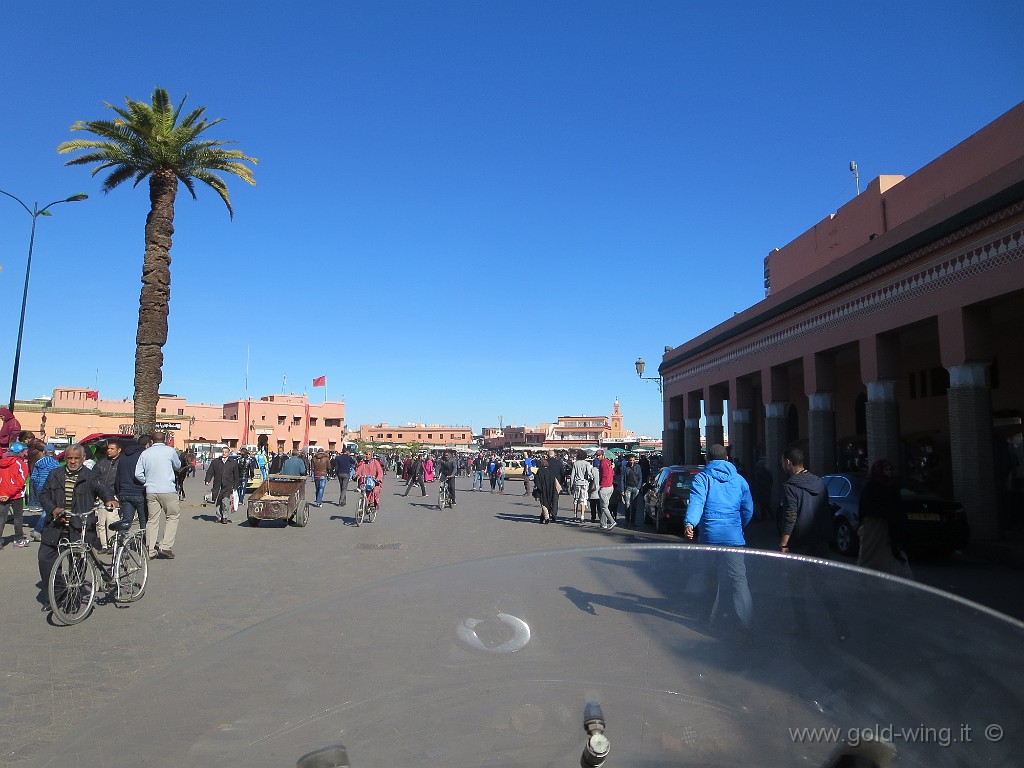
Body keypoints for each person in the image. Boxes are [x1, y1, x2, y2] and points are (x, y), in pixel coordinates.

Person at [683, 444, 755, 631]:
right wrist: (739, 527)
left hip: (709, 537)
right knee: (739, 581)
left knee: (709, 578)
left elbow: (697, 502)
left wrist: (690, 523)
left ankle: (707, 619)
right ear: (727, 459)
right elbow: (748, 509)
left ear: (707, 459)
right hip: (734, 538)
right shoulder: (739, 480)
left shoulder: (703, 478)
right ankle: (745, 623)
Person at [38, 443, 116, 584]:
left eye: (76, 458)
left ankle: (74, 595)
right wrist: (53, 508)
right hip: (55, 526)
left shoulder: (90, 476)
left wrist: (109, 499)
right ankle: (56, 593)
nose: (72, 461)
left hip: (79, 527)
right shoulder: (55, 474)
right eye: (69, 458)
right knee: (46, 560)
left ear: (83, 458)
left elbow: (101, 488)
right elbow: (43, 494)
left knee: (77, 563)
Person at [857, 459, 913, 578]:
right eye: (886, 470)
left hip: (891, 530)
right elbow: (867, 507)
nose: (889, 472)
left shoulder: (892, 486)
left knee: (895, 558)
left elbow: (897, 506)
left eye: (890, 469)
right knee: (871, 558)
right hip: (875, 529)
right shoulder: (871, 487)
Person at [135, 431, 182, 559]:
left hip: (151, 490)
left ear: (152, 441)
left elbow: (138, 473)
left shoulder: (145, 453)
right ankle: (165, 546)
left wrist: (148, 481)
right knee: (172, 516)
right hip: (167, 489)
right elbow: (178, 465)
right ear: (165, 439)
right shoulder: (170, 451)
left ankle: (150, 549)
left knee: (152, 519)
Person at [778, 447, 831, 557]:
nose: (782, 465)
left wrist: (784, 543)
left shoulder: (790, 486)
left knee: (800, 574)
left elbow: (790, 516)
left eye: (782, 462)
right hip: (822, 541)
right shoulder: (819, 482)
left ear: (788, 462)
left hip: (801, 544)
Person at [115, 435, 152, 534]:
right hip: (140, 493)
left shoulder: (123, 456)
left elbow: (118, 476)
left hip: (124, 493)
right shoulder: (144, 456)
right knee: (144, 522)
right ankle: (144, 545)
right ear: (148, 444)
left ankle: (120, 546)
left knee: (126, 522)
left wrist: (119, 493)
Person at [92, 439, 123, 550]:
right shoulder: (101, 463)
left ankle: (112, 544)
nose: (109, 451)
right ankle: (104, 545)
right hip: (101, 496)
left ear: (119, 450)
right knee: (101, 522)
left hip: (114, 496)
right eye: (108, 449)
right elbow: (94, 477)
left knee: (112, 521)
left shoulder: (121, 462)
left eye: (112, 449)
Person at [0, 442, 30, 549]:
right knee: (18, 517)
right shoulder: (21, 464)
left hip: (3, 495)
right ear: (20, 452)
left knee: (1, 518)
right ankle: (18, 539)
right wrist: (9, 494)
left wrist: (3, 494)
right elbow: (20, 482)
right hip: (16, 495)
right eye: (24, 451)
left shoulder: (2, 462)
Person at [29, 445, 60, 541]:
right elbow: (57, 477)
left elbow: (33, 477)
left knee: (46, 508)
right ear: (53, 452)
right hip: (50, 488)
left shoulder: (39, 462)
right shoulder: (55, 463)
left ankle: (43, 529)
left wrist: (38, 484)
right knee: (48, 509)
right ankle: (38, 530)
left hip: (40, 488)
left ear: (45, 452)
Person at [205, 445, 240, 524]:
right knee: (218, 501)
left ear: (228, 453)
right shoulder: (216, 462)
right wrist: (208, 480)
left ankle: (224, 517)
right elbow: (210, 472)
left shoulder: (233, 462)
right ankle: (218, 516)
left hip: (228, 485)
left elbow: (236, 475)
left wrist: (235, 486)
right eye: (223, 452)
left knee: (225, 501)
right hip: (217, 485)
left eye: (226, 452)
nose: (224, 453)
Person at [532, 457, 561, 524]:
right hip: (551, 489)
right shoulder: (550, 471)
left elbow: (536, 480)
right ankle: (542, 517)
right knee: (548, 503)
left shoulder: (540, 471)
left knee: (543, 503)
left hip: (542, 490)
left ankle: (546, 518)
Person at [570, 450, 596, 524]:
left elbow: (572, 475)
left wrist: (571, 486)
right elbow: (589, 473)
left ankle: (575, 516)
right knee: (583, 500)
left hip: (577, 483)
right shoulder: (587, 464)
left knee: (576, 499)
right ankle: (582, 516)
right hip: (584, 483)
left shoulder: (576, 463)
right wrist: (592, 478)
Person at [620, 455, 644, 527]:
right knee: (627, 505)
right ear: (628, 460)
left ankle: (633, 522)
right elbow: (622, 479)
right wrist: (622, 490)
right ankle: (627, 521)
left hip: (635, 488)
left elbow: (640, 477)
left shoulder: (638, 467)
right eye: (631, 460)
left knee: (634, 505)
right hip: (628, 487)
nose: (632, 462)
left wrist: (638, 487)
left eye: (633, 460)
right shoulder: (624, 467)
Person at [595, 450, 616, 530]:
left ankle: (612, 521)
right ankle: (603, 523)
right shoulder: (608, 462)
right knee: (604, 506)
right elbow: (612, 473)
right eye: (597, 455)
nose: (597, 457)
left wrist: (601, 486)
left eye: (598, 455)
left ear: (602, 455)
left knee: (604, 507)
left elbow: (605, 476)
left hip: (605, 487)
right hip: (610, 486)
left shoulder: (603, 463)